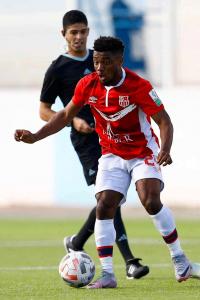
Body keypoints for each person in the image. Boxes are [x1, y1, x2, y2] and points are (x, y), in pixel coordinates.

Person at [15, 36, 192, 289]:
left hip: (143, 152)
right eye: (96, 61)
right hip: (111, 154)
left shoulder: (139, 86)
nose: (99, 67)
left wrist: (165, 148)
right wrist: (35, 136)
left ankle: (179, 258)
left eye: (105, 62)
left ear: (119, 60)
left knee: (150, 200)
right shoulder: (87, 84)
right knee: (104, 205)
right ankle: (108, 275)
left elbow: (164, 121)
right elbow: (65, 114)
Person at [39, 10, 148, 280]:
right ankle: (130, 261)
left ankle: (76, 243)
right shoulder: (58, 68)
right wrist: (72, 121)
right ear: (63, 34)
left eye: (83, 31)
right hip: (87, 141)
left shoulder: (100, 58)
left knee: (108, 199)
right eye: (73, 32)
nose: (78, 37)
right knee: (109, 199)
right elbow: (44, 110)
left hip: (113, 138)